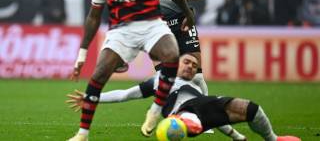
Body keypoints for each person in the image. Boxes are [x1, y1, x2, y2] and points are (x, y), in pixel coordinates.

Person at [67, 0, 195, 141]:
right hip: (121, 31)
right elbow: (94, 16)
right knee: (97, 76)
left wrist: (187, 12)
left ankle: (154, 111)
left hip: (152, 24)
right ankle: (82, 134)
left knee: (172, 55)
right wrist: (82, 53)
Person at [67, 54, 301, 141]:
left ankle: (274, 139)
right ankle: (177, 126)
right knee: (189, 116)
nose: (190, 67)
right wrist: (92, 98)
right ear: (176, 64)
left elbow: (217, 119)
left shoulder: (197, 84)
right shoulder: (160, 80)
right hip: (183, 110)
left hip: (201, 108)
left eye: (194, 65)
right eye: (186, 62)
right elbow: (124, 95)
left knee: (250, 108)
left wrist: (237, 137)